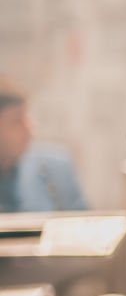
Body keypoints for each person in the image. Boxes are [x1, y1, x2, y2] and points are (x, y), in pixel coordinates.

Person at [0, 77, 88, 212]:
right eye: (16, 121)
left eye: (27, 117)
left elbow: (84, 225)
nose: (30, 130)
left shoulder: (56, 169)